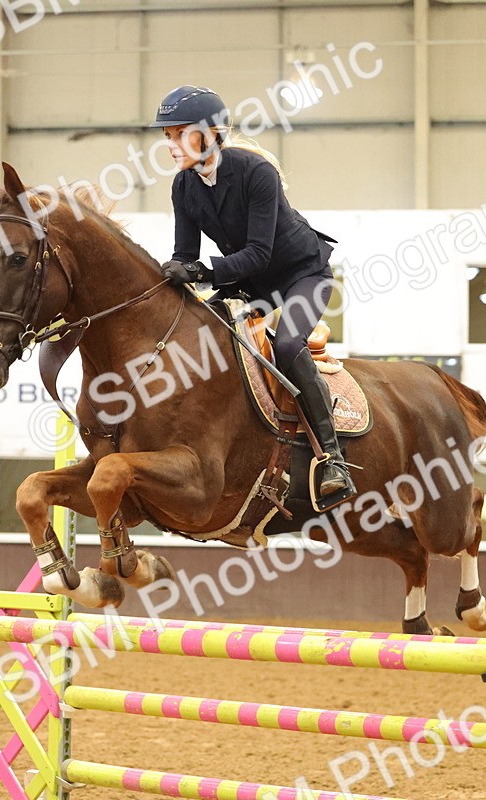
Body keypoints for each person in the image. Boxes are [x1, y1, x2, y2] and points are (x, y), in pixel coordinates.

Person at [150, 85, 356, 506]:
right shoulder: (183, 188)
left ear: (208, 135)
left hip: (302, 273)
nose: (170, 145)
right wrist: (171, 276)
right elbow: (185, 256)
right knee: (201, 338)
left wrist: (202, 271)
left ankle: (333, 458)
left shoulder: (255, 172)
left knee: (286, 345)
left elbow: (259, 254)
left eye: (178, 134)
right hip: (251, 283)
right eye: (167, 136)